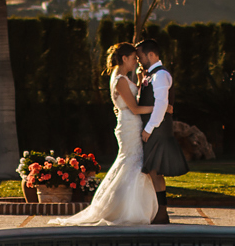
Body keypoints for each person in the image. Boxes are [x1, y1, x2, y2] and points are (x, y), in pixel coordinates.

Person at [54, 42, 157, 227]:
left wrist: (141, 83)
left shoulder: (119, 78)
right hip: (130, 125)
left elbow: (126, 102)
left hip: (128, 124)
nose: (135, 62)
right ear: (124, 58)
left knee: (130, 164)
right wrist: (160, 108)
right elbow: (134, 107)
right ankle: (124, 210)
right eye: (133, 58)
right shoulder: (121, 80)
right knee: (132, 164)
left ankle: (125, 207)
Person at [132, 37, 188, 224]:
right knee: (153, 171)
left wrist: (148, 129)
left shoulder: (161, 75)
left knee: (155, 171)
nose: (139, 60)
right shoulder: (150, 74)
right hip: (153, 128)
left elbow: (162, 104)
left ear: (151, 54)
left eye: (140, 57)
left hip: (157, 129)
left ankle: (162, 213)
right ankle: (158, 211)